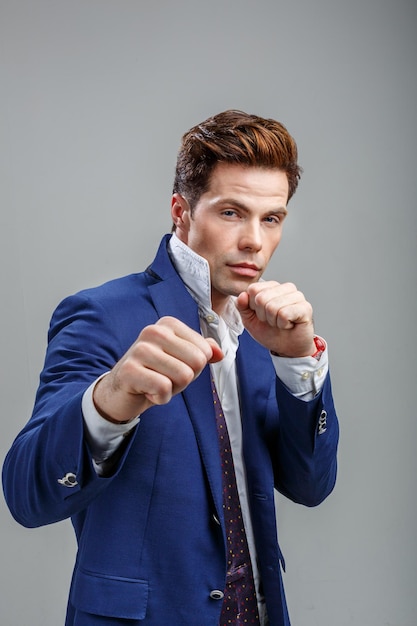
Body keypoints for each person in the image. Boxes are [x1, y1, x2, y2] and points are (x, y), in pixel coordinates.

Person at [2, 109, 339, 626]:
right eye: (231, 212)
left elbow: (311, 487)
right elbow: (28, 495)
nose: (254, 240)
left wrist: (299, 363)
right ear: (181, 211)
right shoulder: (102, 315)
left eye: (271, 218)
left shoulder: (262, 332)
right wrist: (110, 399)